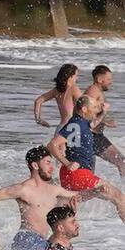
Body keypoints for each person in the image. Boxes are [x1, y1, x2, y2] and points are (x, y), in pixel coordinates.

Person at [0, 145, 80, 250]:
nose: (52, 167)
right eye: (48, 163)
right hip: (27, 239)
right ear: (35, 166)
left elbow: (79, 196)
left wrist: (99, 191)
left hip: (42, 241)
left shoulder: (53, 190)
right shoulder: (23, 189)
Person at [47, 94, 125, 223]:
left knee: (67, 210)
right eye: (94, 107)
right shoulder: (76, 124)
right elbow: (52, 145)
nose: (96, 109)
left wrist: (103, 112)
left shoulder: (81, 122)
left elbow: (93, 124)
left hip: (72, 175)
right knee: (119, 197)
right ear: (84, 109)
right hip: (79, 174)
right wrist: (67, 163)